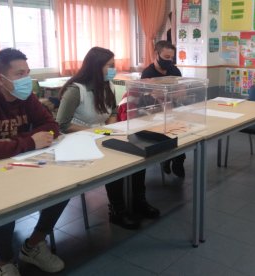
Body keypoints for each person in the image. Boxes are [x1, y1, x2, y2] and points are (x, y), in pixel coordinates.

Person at [0, 48, 67, 276]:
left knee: (63, 187)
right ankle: (4, 261)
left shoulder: (25, 96)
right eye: (20, 74)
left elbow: (51, 126)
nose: (27, 80)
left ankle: (33, 245)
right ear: (0, 78)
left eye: (28, 72)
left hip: (16, 160)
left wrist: (17, 142)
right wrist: (29, 141)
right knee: (2, 201)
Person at [56, 47, 159, 230]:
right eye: (110, 65)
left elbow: (111, 111)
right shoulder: (75, 89)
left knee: (136, 153)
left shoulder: (108, 84)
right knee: (114, 162)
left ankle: (138, 201)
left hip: (101, 134)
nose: (114, 69)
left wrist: (110, 127)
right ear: (96, 67)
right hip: (77, 138)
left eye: (114, 65)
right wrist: (94, 132)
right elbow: (62, 125)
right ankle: (117, 210)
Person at [140, 40, 186, 178]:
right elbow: (151, 97)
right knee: (165, 137)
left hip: (174, 111)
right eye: (166, 57)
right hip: (154, 115)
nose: (169, 61)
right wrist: (169, 94)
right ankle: (166, 159)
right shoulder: (148, 73)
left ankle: (178, 161)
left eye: (171, 58)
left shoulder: (174, 70)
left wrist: (165, 94)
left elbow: (182, 92)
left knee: (181, 136)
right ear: (156, 54)